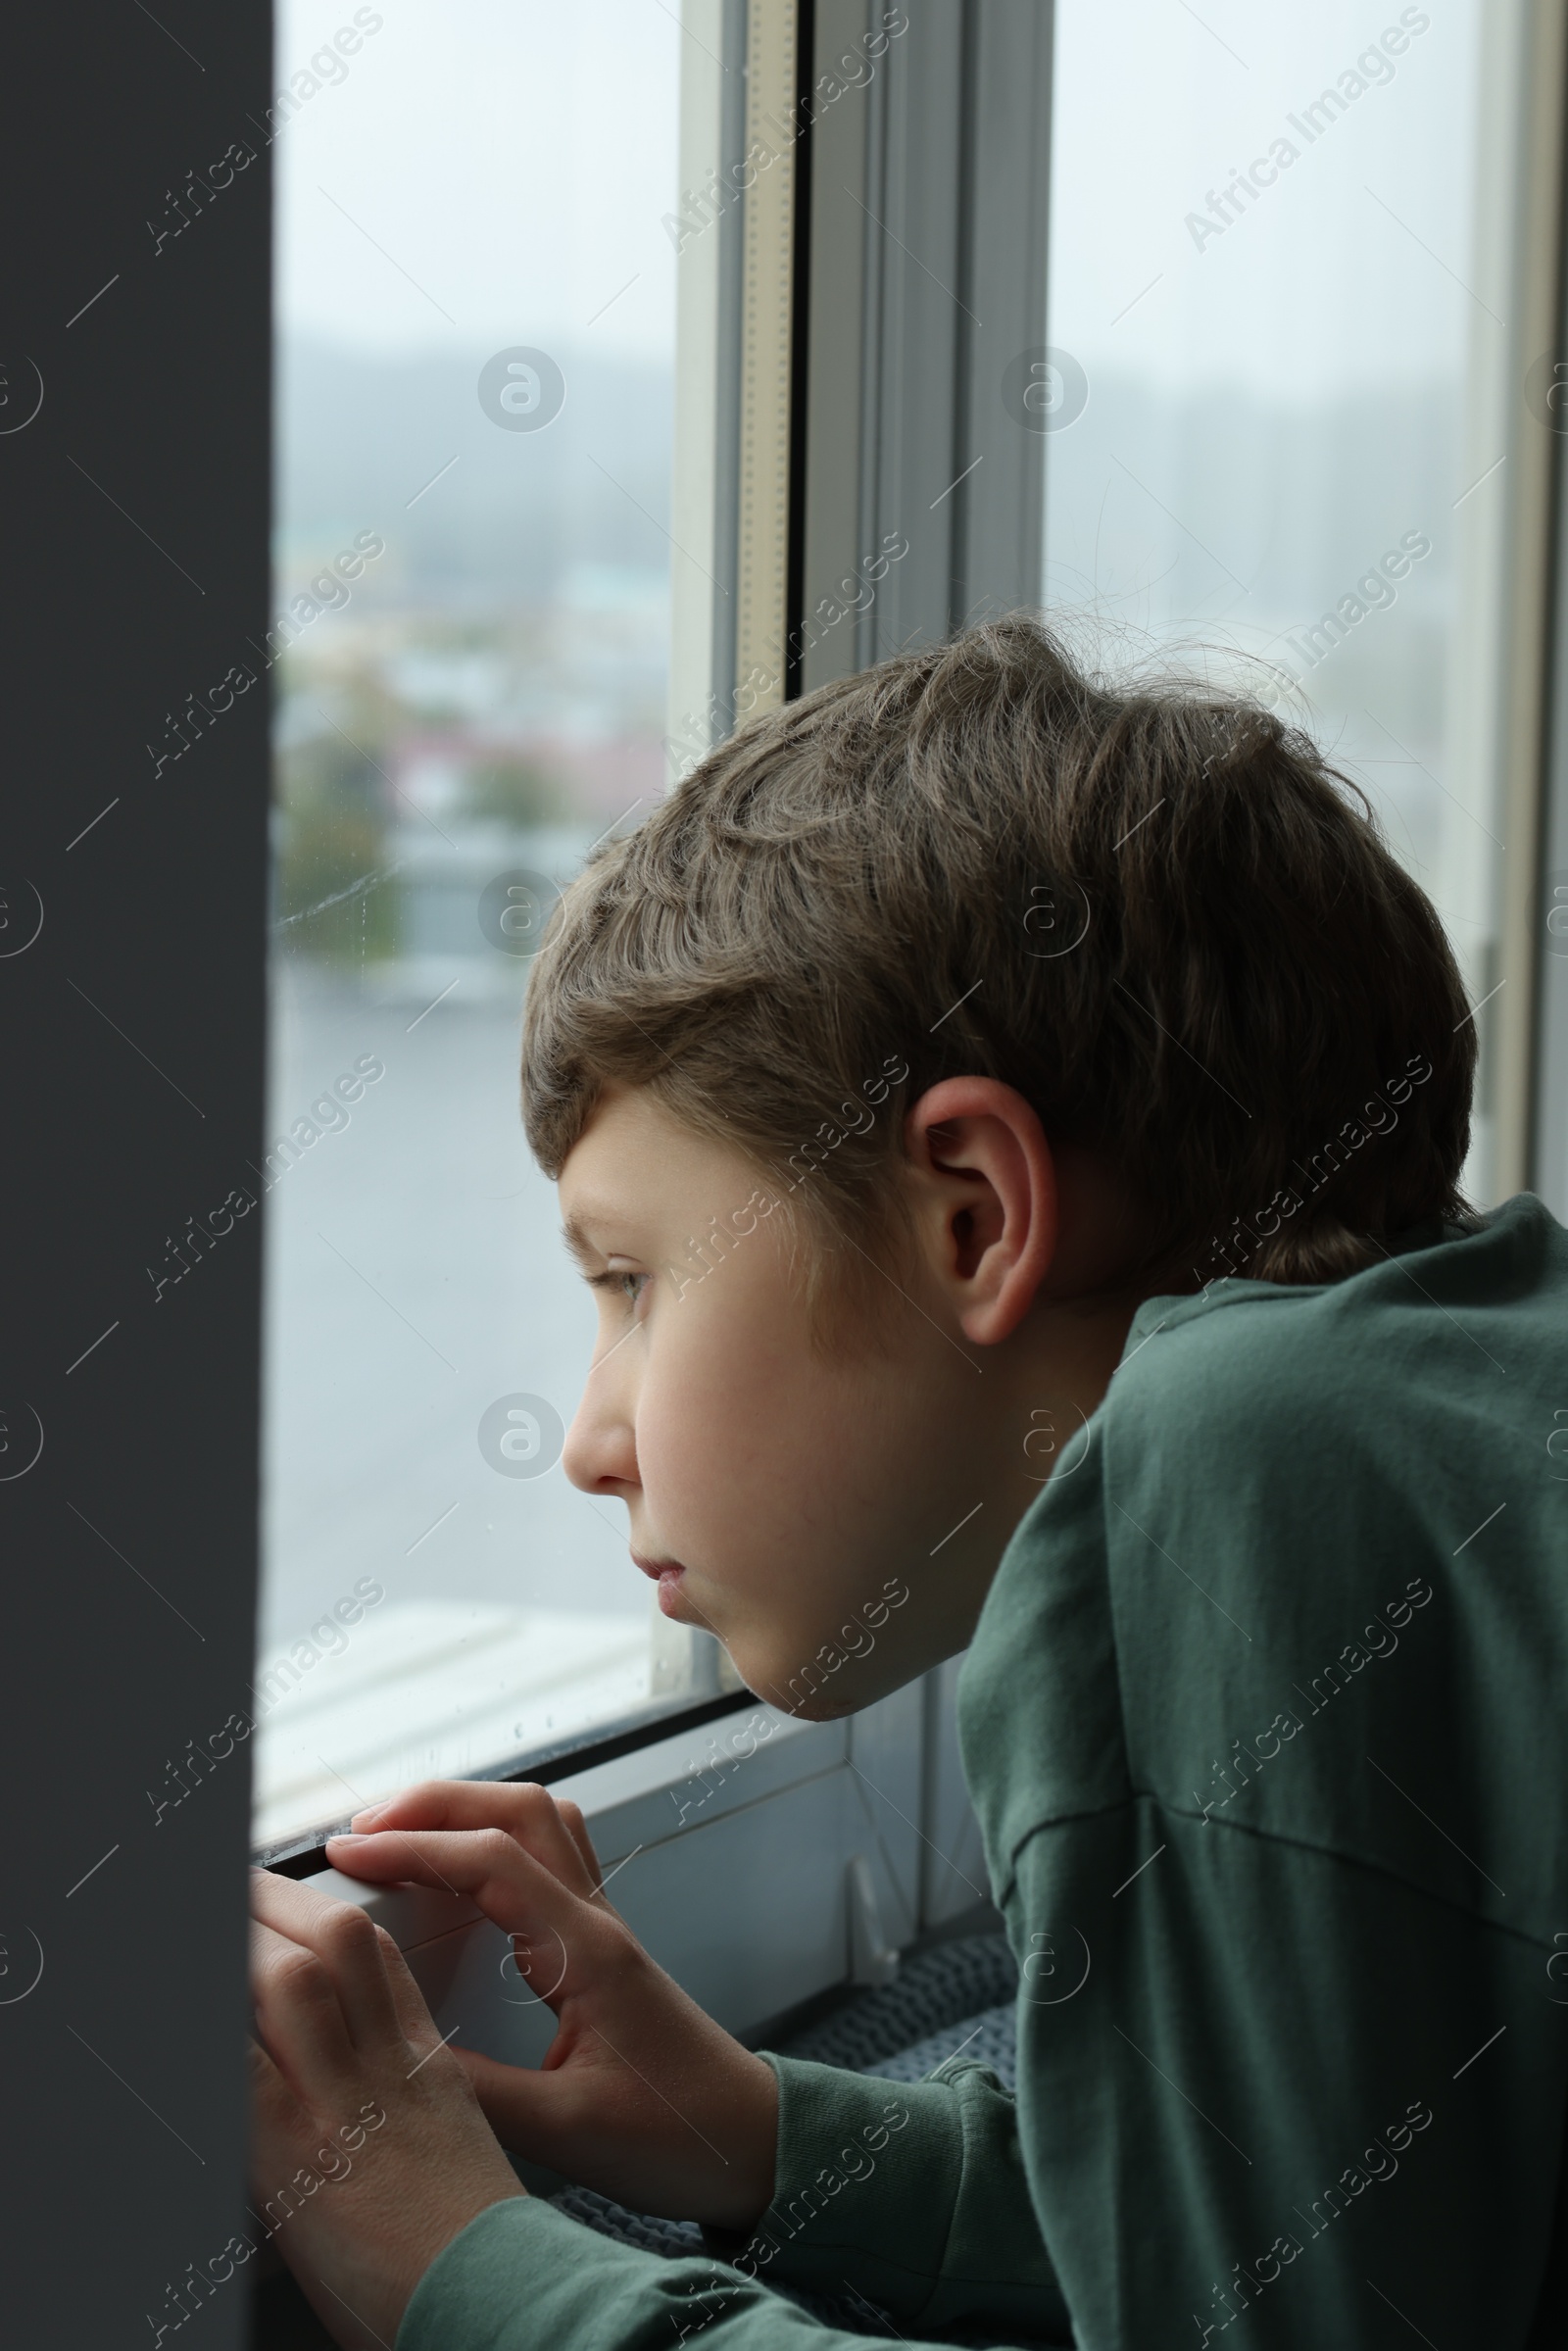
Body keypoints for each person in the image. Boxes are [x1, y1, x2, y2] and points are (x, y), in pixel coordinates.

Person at [246, 616, 1568, 2350]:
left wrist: (457, 2262)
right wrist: (771, 2139)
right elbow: (1334, 2222)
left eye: (635, 1281)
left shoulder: (1229, 1466)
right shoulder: (1461, 1400)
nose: (589, 1439)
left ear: (973, 1214)